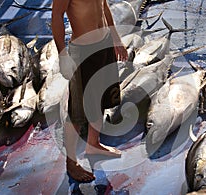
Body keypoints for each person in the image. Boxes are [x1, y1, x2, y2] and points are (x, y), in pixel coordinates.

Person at [52, 0, 128, 183]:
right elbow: (56, 18)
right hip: (82, 51)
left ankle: (93, 143)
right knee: (77, 112)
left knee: (102, 97)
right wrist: (62, 54)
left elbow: (104, 6)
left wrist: (115, 37)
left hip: (105, 43)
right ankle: (71, 162)